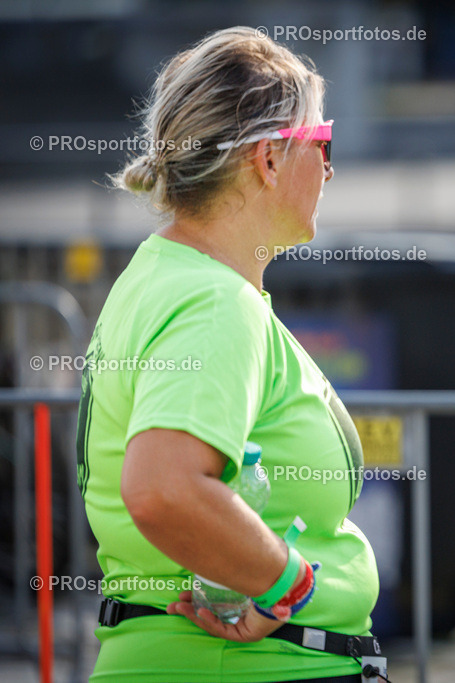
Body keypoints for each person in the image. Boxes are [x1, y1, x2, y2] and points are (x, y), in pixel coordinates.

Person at [76, 27, 382, 682]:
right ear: (269, 159)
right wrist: (286, 583)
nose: (330, 168)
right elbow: (161, 487)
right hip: (247, 664)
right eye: (321, 144)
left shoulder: (161, 276)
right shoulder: (214, 302)